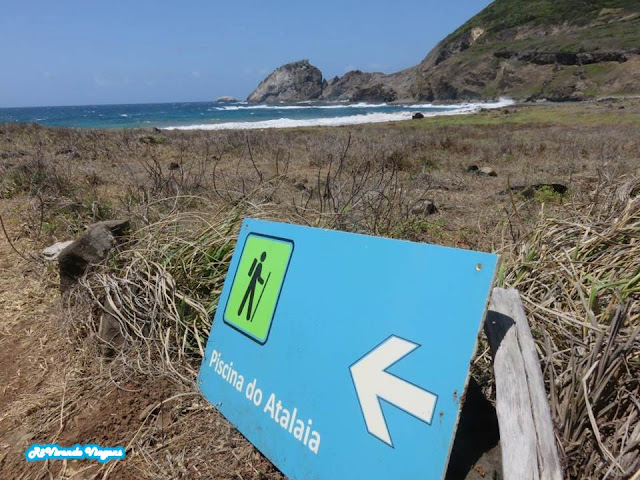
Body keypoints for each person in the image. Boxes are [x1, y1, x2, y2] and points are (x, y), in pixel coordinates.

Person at [237, 251, 267, 321]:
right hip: (252, 282)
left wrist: (260, 280)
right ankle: (242, 312)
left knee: (249, 297)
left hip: (254, 283)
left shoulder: (258, 263)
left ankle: (245, 314)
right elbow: (252, 273)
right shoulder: (257, 263)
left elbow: (251, 273)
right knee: (247, 296)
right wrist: (261, 280)